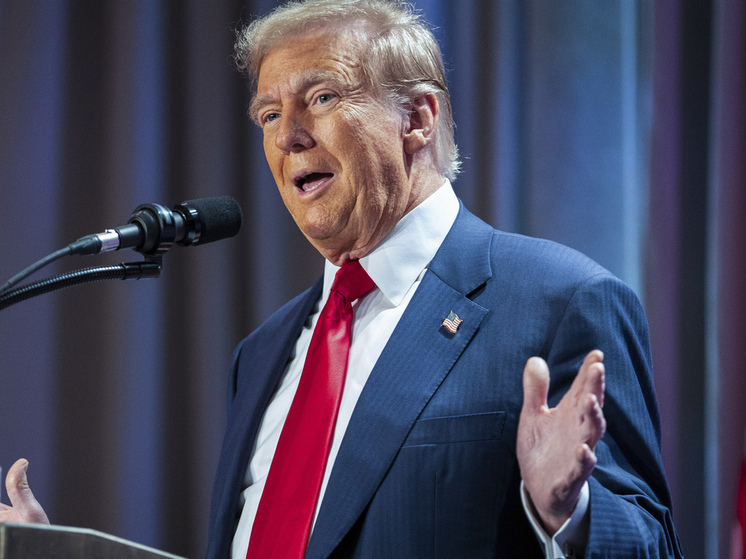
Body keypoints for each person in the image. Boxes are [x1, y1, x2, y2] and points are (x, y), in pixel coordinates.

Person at [2, 1, 683, 557]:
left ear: (418, 118)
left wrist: (568, 512)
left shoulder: (561, 302)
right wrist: (63, 555)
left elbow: (651, 545)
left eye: (322, 96)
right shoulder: (262, 355)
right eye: (269, 114)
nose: (287, 136)